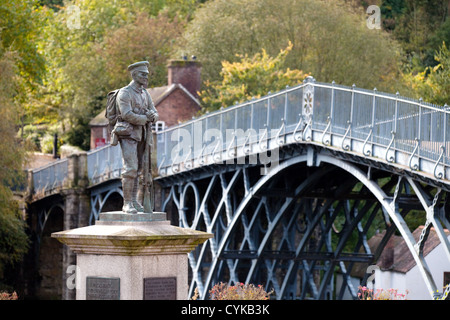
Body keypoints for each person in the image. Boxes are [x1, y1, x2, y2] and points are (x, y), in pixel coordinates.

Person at [113, 61, 158, 214]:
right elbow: (126, 114)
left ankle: (134, 201)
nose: (146, 77)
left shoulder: (145, 93)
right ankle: (127, 204)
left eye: (147, 74)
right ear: (134, 75)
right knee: (130, 168)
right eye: (142, 74)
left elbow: (154, 111)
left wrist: (153, 116)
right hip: (129, 135)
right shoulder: (125, 93)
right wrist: (145, 118)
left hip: (143, 135)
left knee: (140, 169)